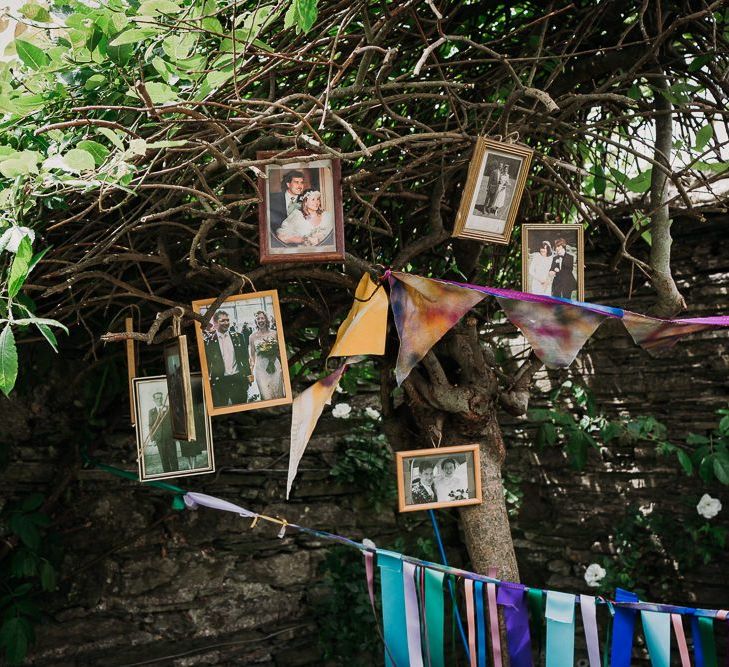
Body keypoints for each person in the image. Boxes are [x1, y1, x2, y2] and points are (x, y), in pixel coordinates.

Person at [204, 310, 252, 407]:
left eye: (227, 320)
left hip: (238, 379)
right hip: (220, 382)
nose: (226, 323)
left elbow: (245, 358)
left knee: (242, 409)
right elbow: (207, 363)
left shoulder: (238, 336)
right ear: (215, 323)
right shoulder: (209, 341)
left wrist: (248, 375)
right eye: (223, 321)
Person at [249, 310, 284, 401]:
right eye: (258, 319)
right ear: (256, 321)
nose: (260, 320)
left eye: (262, 318)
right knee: (266, 395)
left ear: (266, 319)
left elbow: (280, 350)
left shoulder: (274, 333)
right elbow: (252, 355)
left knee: (278, 392)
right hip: (261, 368)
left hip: (275, 365)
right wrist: (252, 370)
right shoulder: (252, 337)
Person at [148, 391, 178, 473]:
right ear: (154, 400)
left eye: (161, 398)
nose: (159, 400)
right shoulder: (151, 412)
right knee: (164, 458)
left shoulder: (169, 408)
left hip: (170, 437)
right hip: (159, 439)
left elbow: (174, 421)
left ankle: (176, 473)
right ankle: (167, 474)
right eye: (157, 398)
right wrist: (153, 439)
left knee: (173, 457)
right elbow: (151, 426)